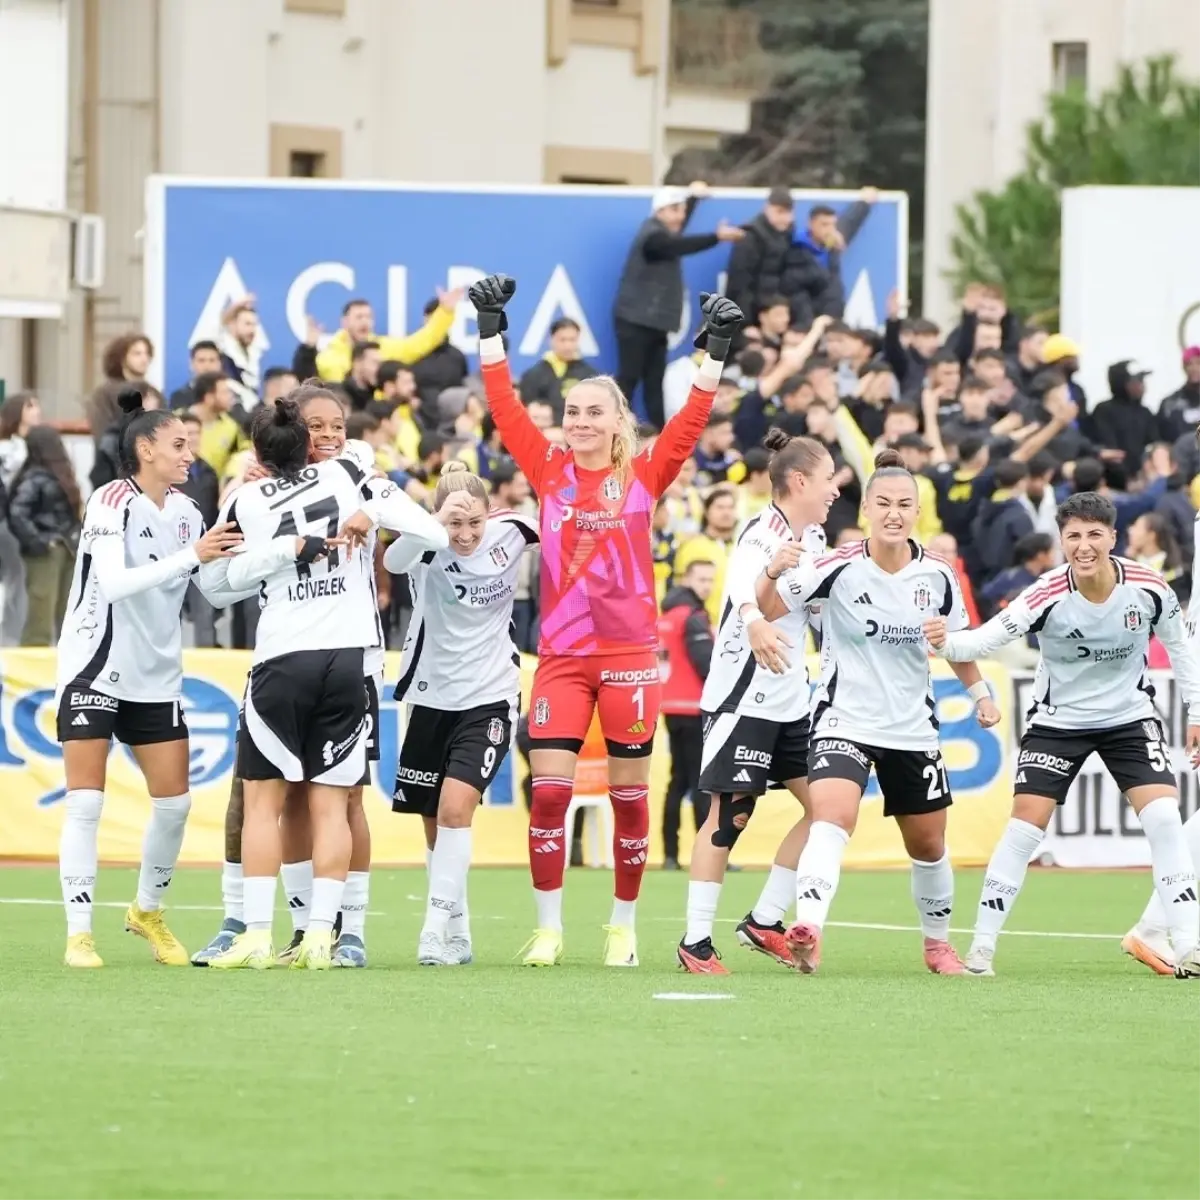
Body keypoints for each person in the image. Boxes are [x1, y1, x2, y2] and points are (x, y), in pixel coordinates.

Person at [470, 272, 742, 967]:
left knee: (628, 801)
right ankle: (550, 928)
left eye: (595, 411)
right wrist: (491, 331)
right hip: (561, 658)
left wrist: (714, 348)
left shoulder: (648, 473)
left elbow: (689, 420)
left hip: (627, 658)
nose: (581, 421)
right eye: (573, 411)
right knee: (549, 797)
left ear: (620, 421)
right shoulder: (548, 466)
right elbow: (503, 407)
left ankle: (622, 924)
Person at [191, 391, 445, 968]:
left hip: (292, 655)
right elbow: (429, 530)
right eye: (315, 426)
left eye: (337, 425)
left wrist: (281, 553)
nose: (329, 435)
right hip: (346, 658)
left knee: (298, 801)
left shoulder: (258, 493)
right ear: (296, 435)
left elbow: (211, 586)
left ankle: (302, 930)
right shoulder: (350, 473)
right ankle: (314, 931)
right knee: (315, 802)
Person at [924, 491, 1200, 979]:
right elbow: (985, 640)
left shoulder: (1149, 588)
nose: (1084, 546)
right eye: (1074, 536)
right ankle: (982, 952)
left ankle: (1190, 945)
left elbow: (1181, 650)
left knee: (1163, 820)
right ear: (1061, 542)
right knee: (1024, 831)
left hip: (1130, 720)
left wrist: (1196, 713)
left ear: (1113, 538)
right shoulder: (1045, 593)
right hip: (1058, 724)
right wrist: (944, 638)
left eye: (1095, 534)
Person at [753, 449, 1001, 975]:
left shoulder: (939, 575)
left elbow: (956, 643)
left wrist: (980, 694)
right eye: (884, 502)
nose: (894, 513)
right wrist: (770, 573)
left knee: (929, 843)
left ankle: (937, 946)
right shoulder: (835, 567)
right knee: (831, 817)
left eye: (904, 504)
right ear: (865, 507)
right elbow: (771, 608)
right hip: (844, 719)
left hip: (912, 727)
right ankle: (809, 930)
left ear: (918, 512)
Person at [55, 390, 243, 967]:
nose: (191, 454)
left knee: (175, 806)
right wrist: (194, 557)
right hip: (95, 665)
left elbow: (210, 588)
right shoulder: (111, 501)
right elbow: (113, 584)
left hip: (157, 677)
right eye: (179, 444)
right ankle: (79, 933)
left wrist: (267, 556)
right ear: (145, 448)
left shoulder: (188, 512)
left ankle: (146, 911)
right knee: (86, 803)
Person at [677, 429, 839, 975]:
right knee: (728, 818)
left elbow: (816, 609)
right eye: (828, 479)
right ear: (800, 481)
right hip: (743, 697)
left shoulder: (814, 538)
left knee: (826, 811)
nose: (836, 490)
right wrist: (753, 622)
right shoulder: (761, 534)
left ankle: (765, 919)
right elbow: (742, 591)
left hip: (792, 700)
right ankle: (695, 942)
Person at [386, 462, 538, 965]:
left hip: (490, 694)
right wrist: (433, 525)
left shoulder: (511, 532)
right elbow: (391, 561)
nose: (466, 534)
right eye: (455, 523)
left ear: (489, 513)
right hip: (430, 697)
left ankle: (432, 932)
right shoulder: (424, 544)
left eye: (474, 521)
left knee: (456, 810)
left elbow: (567, 524)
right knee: (433, 821)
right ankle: (459, 930)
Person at [613, 182, 743, 428]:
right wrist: (716, 237)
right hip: (635, 320)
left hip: (655, 322)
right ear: (659, 211)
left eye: (682, 210)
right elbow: (672, 245)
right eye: (674, 210)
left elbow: (675, 234)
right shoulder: (651, 236)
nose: (680, 216)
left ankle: (658, 437)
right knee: (628, 379)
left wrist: (692, 198)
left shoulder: (664, 230)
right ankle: (614, 431)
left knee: (654, 383)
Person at [657, 558, 717, 871]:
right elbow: (706, 663)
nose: (706, 586)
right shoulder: (693, 617)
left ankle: (670, 854)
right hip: (695, 706)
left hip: (670, 705)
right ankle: (706, 856)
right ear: (687, 579)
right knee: (700, 783)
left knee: (677, 781)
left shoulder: (667, 615)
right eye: (702, 579)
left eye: (710, 580)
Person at [8, 427, 84, 646]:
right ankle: (32, 669)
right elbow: (17, 514)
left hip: (66, 548)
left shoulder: (50, 475)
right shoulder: (36, 477)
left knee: (67, 612)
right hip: (47, 552)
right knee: (42, 614)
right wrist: (41, 540)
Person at [315, 292, 460, 383]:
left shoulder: (384, 347)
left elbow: (419, 343)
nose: (365, 321)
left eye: (368, 317)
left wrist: (445, 312)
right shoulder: (328, 357)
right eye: (359, 317)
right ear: (344, 322)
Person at [0, 391, 43, 645]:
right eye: (30, 406)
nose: (37, 411)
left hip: (17, 519)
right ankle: (10, 639)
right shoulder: (11, 448)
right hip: (8, 520)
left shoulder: (32, 444)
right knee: (16, 577)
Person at [519, 317, 599, 421]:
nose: (568, 345)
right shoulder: (533, 375)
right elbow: (526, 412)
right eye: (562, 340)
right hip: (544, 433)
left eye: (572, 340)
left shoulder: (590, 376)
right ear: (551, 340)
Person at [86, 333, 154, 442]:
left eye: (147, 353)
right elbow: (103, 436)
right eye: (137, 353)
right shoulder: (104, 394)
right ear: (121, 357)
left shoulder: (153, 393)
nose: (144, 359)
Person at [168, 341, 223, 410]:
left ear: (220, 364)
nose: (207, 366)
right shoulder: (179, 397)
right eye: (201, 360)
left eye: (212, 360)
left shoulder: (231, 397)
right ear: (191, 364)